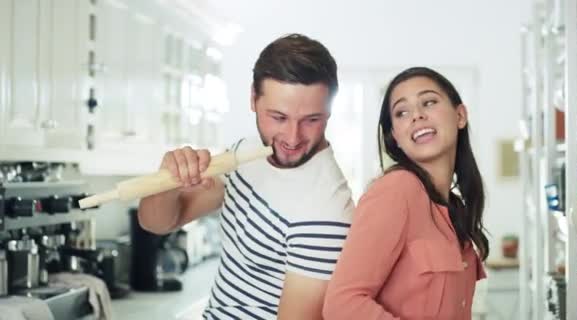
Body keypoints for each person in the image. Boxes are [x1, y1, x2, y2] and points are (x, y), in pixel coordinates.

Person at [138, 33, 353, 320]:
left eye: (311, 120)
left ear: (329, 111)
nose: (292, 138)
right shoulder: (248, 152)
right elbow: (157, 223)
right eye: (278, 117)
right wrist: (169, 182)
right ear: (253, 98)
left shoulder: (327, 213)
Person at [323, 66, 489, 320]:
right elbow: (342, 305)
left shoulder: (455, 209)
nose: (417, 116)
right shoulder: (395, 191)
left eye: (429, 102)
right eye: (402, 112)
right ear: (395, 137)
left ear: (460, 115)